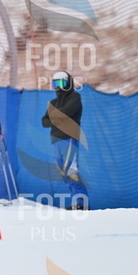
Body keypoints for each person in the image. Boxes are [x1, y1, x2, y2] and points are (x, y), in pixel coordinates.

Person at [41, 71, 89, 210]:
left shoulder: (75, 97)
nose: (58, 87)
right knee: (63, 172)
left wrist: (54, 117)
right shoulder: (53, 103)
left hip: (69, 138)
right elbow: (44, 121)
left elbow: (67, 112)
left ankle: (80, 203)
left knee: (71, 171)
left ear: (68, 83)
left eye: (61, 83)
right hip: (56, 140)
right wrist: (58, 118)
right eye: (55, 83)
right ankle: (78, 201)